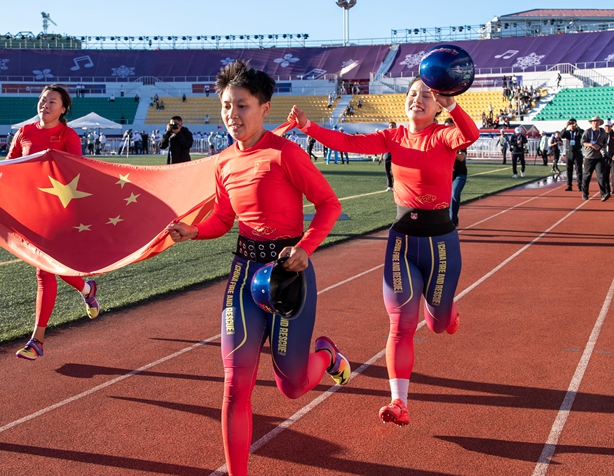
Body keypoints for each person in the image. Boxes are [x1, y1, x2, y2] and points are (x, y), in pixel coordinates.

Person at [167, 60, 350, 476]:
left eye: (242, 106)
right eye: (227, 106)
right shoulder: (223, 162)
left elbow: (329, 205)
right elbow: (223, 220)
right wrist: (192, 231)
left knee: (292, 386)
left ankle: (327, 355)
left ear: (264, 108)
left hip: (289, 274)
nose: (233, 115)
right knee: (235, 384)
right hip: (244, 275)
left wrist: (305, 248)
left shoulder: (286, 153)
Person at [291, 75, 479, 427]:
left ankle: (447, 312)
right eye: (412, 94)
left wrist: (452, 103)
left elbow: (470, 135)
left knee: (437, 324)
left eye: (426, 95)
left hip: (441, 244)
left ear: (438, 104)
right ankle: (399, 402)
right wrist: (308, 126)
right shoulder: (392, 137)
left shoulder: (444, 136)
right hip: (402, 243)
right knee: (400, 325)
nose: (417, 99)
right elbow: (347, 142)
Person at [6, 85, 101, 361]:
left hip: (58, 212)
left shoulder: (67, 135)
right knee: (52, 267)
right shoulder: (24, 132)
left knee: (44, 271)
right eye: (42, 100)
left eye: (52, 101)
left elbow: (76, 170)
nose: (45, 105)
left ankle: (37, 340)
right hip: (30, 211)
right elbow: (8, 166)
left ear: (63, 109)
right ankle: (87, 288)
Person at [581, 116, 610, 201]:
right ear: (591, 123)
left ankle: (603, 194)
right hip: (589, 157)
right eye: (594, 121)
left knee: (601, 175)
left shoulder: (602, 132)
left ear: (599, 123)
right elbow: (583, 143)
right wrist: (591, 145)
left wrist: (602, 147)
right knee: (587, 176)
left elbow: (605, 142)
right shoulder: (588, 131)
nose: (595, 123)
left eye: (597, 121)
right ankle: (585, 193)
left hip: (599, 157)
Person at [561, 118, 584, 192]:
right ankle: (569, 185)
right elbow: (561, 135)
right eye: (571, 124)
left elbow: (583, 135)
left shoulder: (579, 132)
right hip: (569, 152)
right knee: (569, 170)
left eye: (573, 124)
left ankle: (580, 186)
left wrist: (577, 127)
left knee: (579, 170)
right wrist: (565, 126)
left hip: (577, 152)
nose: (572, 126)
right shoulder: (567, 132)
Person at [380, 121, 397, 191]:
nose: (391, 127)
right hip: (387, 154)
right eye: (390, 125)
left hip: (395, 154)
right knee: (387, 170)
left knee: (395, 171)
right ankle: (389, 186)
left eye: (393, 125)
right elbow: (383, 146)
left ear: (395, 127)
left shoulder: (398, 134)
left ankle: (396, 185)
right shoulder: (386, 135)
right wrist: (381, 155)